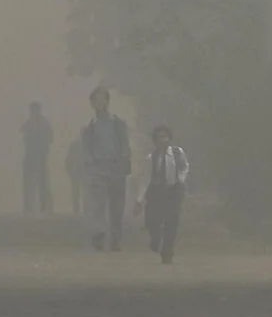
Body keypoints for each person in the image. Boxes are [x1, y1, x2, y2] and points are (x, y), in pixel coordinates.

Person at [81, 86, 131, 251]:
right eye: (97, 100)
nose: (100, 103)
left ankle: (115, 238)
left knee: (116, 206)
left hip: (116, 168)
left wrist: (123, 162)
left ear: (108, 102)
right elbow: (86, 148)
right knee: (98, 204)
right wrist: (90, 163)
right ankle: (99, 233)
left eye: (103, 99)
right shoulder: (90, 127)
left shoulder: (118, 123)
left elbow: (124, 145)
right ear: (92, 103)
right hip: (97, 169)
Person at [134, 125, 189, 264]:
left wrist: (180, 180)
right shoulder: (151, 158)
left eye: (165, 137)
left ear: (169, 138)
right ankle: (155, 240)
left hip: (172, 191)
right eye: (159, 137)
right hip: (156, 192)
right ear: (155, 140)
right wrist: (139, 199)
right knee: (152, 220)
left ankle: (167, 251)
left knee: (172, 222)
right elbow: (145, 179)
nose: (163, 140)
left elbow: (184, 167)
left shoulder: (178, 153)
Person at [21, 102, 53, 214]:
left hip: (40, 156)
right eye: (31, 110)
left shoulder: (44, 123)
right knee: (28, 182)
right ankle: (28, 206)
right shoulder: (29, 123)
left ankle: (44, 206)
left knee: (42, 182)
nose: (32, 112)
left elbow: (50, 137)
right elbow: (23, 132)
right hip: (30, 156)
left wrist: (43, 148)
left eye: (34, 110)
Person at [64, 137, 86, 215]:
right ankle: (83, 208)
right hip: (79, 172)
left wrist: (70, 171)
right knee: (81, 191)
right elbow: (68, 161)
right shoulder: (87, 145)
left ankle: (77, 208)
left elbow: (68, 161)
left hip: (78, 172)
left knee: (77, 191)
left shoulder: (75, 145)